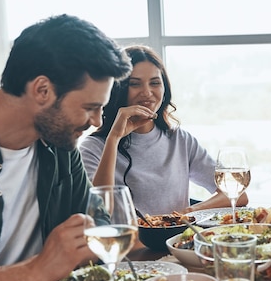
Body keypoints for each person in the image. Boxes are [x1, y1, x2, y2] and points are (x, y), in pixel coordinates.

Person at [0, 14, 132, 281]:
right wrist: (40, 269)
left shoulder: (60, 144)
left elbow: (97, 222)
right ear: (42, 90)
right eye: (90, 108)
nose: (97, 122)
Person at [78, 45, 247, 215]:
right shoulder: (93, 147)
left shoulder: (180, 140)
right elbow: (98, 212)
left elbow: (239, 195)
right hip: (126, 241)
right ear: (117, 90)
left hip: (176, 240)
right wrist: (114, 138)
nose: (147, 92)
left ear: (164, 89)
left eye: (155, 83)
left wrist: (189, 211)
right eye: (135, 84)